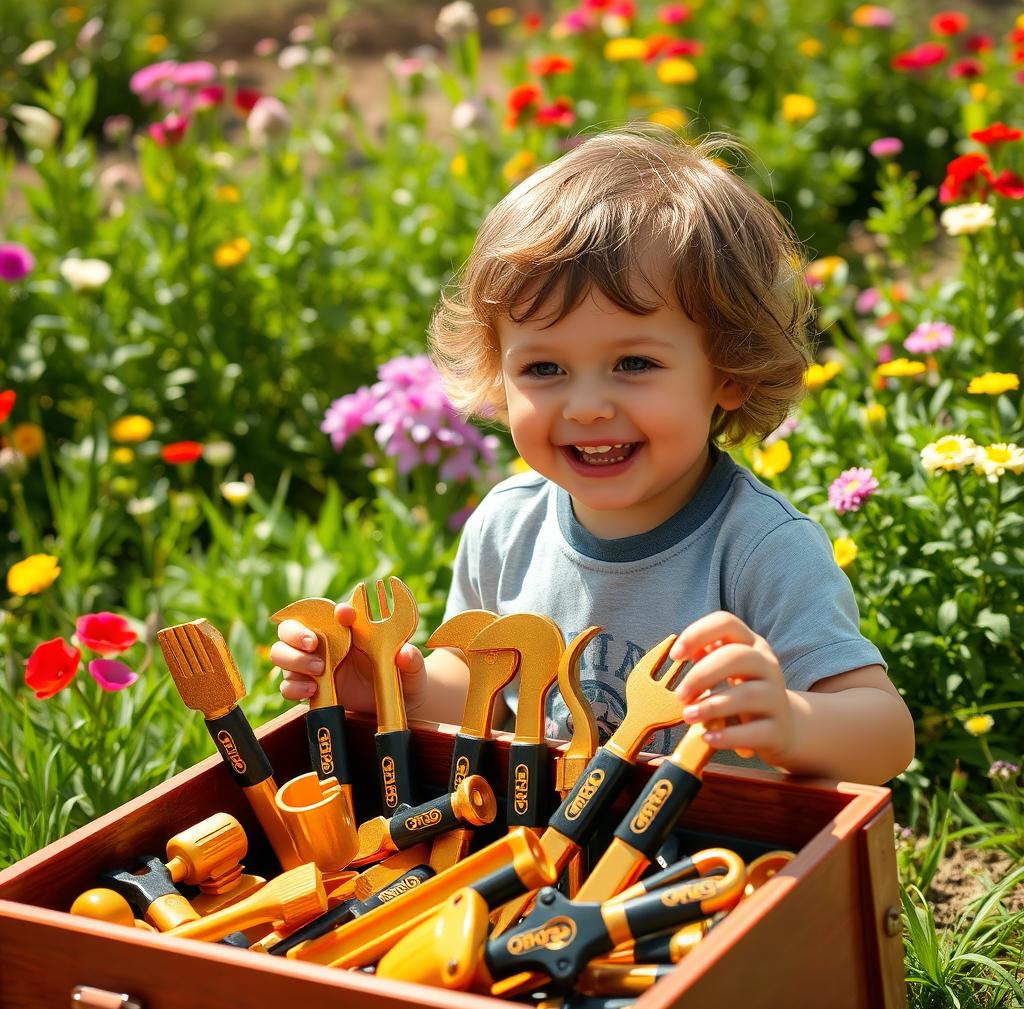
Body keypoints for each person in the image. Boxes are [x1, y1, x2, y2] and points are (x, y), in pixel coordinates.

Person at [272, 127, 915, 786]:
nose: (585, 407)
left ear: (729, 371)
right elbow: (479, 692)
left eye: (633, 363)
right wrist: (391, 686)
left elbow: (886, 734)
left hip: (713, 856)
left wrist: (793, 721)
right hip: (537, 840)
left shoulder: (760, 548)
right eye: (544, 367)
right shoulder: (506, 526)